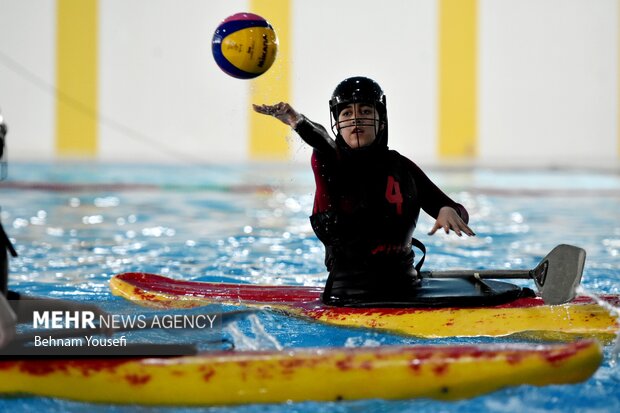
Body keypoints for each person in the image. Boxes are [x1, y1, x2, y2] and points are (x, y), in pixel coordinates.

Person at [254, 76, 475, 306]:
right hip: (351, 298)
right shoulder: (331, 163)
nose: (356, 119)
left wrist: (449, 210)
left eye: (366, 111)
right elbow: (323, 141)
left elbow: (457, 210)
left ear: (381, 120)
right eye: (347, 114)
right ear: (337, 123)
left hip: (407, 289)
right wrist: (297, 121)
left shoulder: (402, 167)